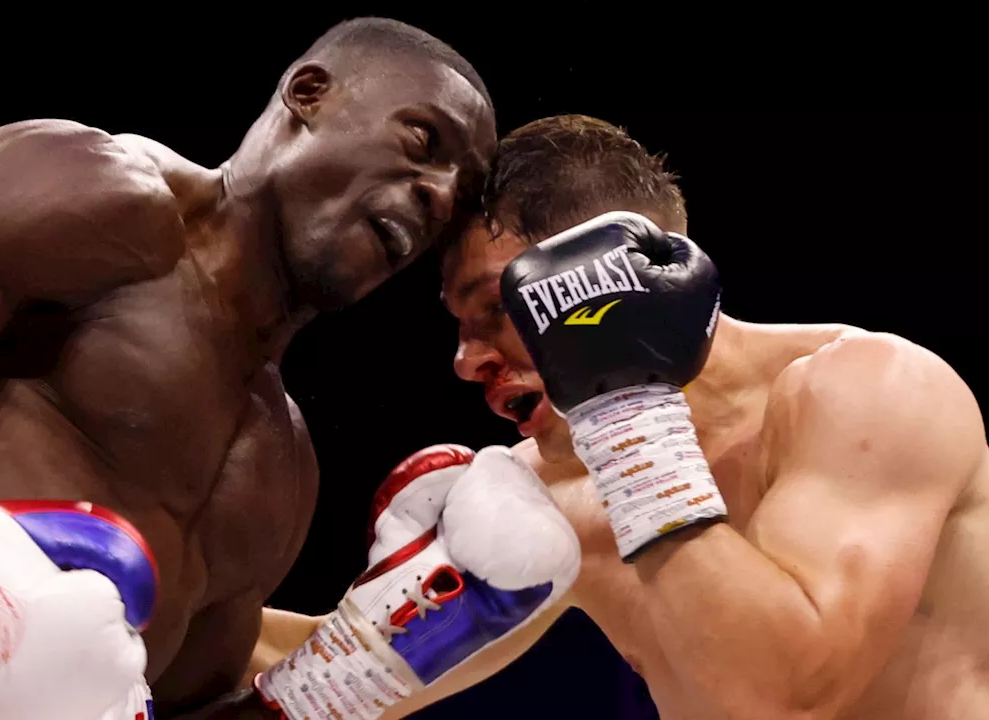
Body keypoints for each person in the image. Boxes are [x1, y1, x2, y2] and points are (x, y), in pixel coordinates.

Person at [0, 17, 590, 720]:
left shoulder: (279, 466)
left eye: (456, 190)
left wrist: (367, 664)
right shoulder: (99, 204)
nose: (435, 193)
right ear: (309, 95)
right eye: (421, 141)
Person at [251, 114, 989, 719]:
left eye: (495, 311)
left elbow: (784, 696)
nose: (465, 361)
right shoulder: (548, 491)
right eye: (458, 324)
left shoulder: (872, 391)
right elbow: (337, 679)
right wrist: (147, 600)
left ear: (620, 277)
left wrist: (627, 422)